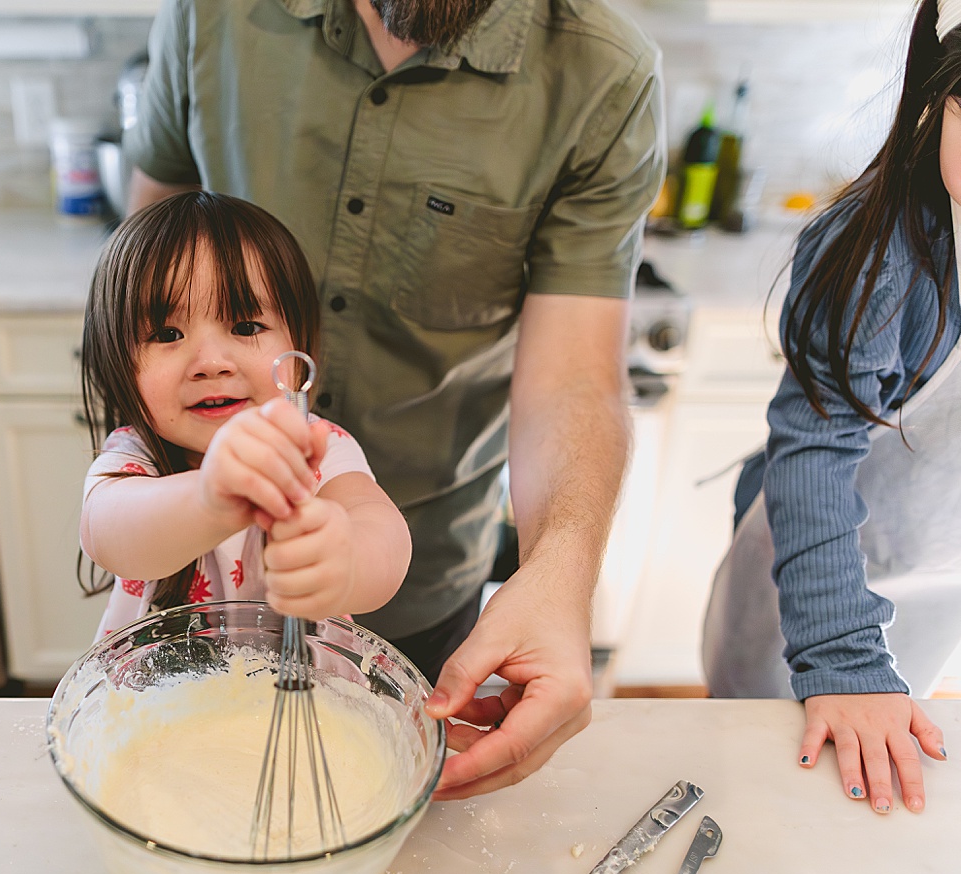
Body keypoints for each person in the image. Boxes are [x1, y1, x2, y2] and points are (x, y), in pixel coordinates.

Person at [123, 0, 664, 799]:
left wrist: (558, 575)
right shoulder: (210, 15)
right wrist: (203, 490)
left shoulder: (602, 73)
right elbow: (143, 268)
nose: (207, 356)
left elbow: (573, 380)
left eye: (243, 323)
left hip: (432, 574)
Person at [704, 0, 960, 816]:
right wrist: (845, 659)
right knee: (765, 789)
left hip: (933, 590)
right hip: (815, 597)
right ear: (941, 102)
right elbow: (815, 447)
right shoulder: (883, 254)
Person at [79, 190, 412, 639]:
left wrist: (347, 560)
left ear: (301, 348)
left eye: (245, 327)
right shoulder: (134, 459)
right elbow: (110, 534)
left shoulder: (317, 447)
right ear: (116, 361)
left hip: (302, 702)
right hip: (151, 701)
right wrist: (210, 498)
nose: (212, 362)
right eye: (167, 333)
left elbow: (382, 535)